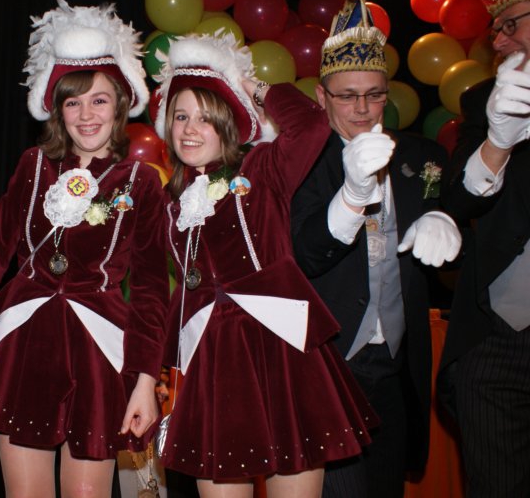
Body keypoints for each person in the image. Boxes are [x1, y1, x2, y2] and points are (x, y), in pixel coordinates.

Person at [0, 0, 170, 497]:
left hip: (98, 351)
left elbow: (149, 290)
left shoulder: (141, 181)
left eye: (99, 100)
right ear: (57, 109)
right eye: (73, 102)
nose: (86, 114)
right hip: (24, 345)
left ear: (121, 105)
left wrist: (145, 377)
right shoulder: (33, 165)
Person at [154, 31, 378, 498]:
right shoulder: (172, 204)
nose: (190, 128)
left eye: (206, 116)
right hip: (213, 365)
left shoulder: (260, 168)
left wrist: (253, 87)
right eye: (181, 116)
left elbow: (311, 125)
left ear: (229, 123)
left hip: (281, 355)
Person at [290, 0, 462, 498]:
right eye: (347, 97)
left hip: (395, 365)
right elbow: (304, 254)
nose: (363, 109)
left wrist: (445, 219)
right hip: (326, 363)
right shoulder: (298, 163)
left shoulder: (422, 156)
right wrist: (351, 192)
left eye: (374, 95)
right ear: (321, 96)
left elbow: (454, 258)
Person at [437, 0, 530, 495]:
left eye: (511, 24)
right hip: (497, 340)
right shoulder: (482, 101)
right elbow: (457, 200)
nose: (498, 40)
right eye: (495, 29)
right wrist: (498, 142)